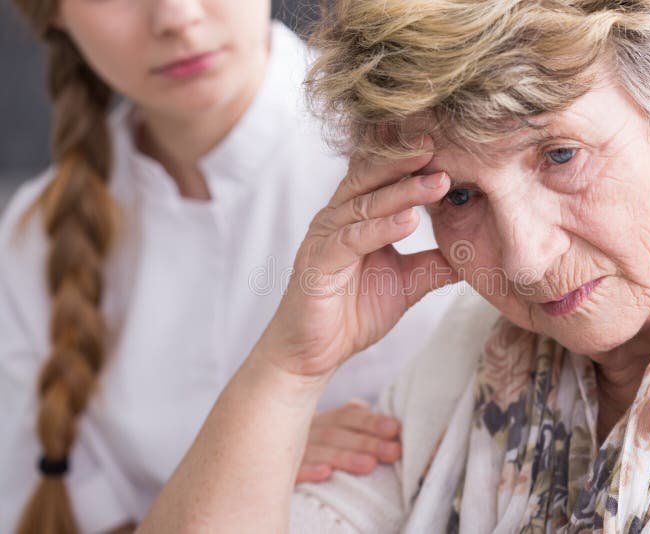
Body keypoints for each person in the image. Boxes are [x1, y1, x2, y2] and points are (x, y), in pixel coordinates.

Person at [136, 0, 650, 532]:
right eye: (458, 196)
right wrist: (288, 369)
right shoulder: (470, 353)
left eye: (560, 156)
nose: (526, 260)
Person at [0, 1, 457, 533]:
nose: (175, 17)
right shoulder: (31, 241)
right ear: (50, 13)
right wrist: (247, 453)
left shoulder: (425, 141)